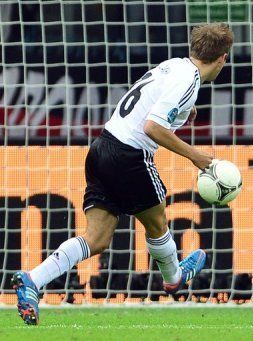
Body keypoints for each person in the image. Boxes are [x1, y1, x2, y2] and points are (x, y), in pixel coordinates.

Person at [12, 23, 234, 325]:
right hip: (130, 154)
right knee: (157, 222)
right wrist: (195, 156)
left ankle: (31, 281)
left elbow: (148, 99)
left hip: (102, 146)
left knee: (97, 238)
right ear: (223, 58)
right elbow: (153, 127)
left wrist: (184, 110)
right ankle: (174, 278)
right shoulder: (188, 82)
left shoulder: (174, 66)